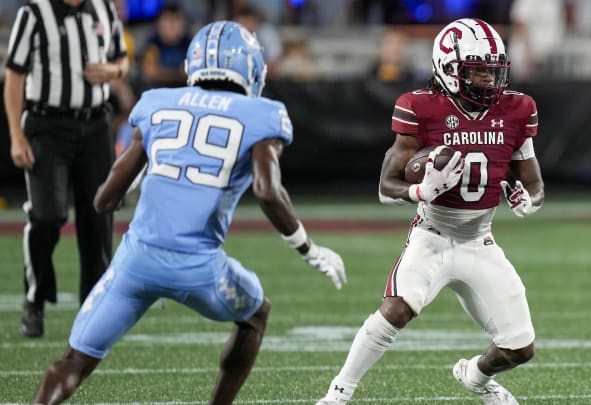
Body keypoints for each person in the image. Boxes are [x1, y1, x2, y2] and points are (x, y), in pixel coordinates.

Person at [31, 20, 347, 404]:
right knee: (255, 313)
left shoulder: (158, 104)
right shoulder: (263, 113)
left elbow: (104, 201)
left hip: (136, 260)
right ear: (249, 67)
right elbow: (267, 191)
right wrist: (309, 249)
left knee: (73, 361)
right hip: (199, 267)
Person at [316, 18, 544, 405]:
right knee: (396, 309)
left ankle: (475, 376)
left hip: (480, 242)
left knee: (520, 348)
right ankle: (338, 393)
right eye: (478, 71)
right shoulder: (420, 106)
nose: (489, 80)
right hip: (432, 236)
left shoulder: (518, 109)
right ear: (448, 68)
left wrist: (529, 199)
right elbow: (386, 188)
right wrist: (421, 190)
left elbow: (534, 183)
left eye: (494, 70)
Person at [4, 0, 130, 338]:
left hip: (95, 125)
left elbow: (123, 59)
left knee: (99, 217)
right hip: (47, 125)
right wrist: (16, 135)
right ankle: (35, 299)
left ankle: (93, 309)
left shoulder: (103, 8)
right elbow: (14, 75)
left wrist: (113, 72)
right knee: (46, 215)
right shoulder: (34, 14)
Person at [139, 2, 192, 89]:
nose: (172, 26)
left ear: (184, 23)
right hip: (157, 91)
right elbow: (150, 73)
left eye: (176, 20)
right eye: (168, 20)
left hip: (184, 91)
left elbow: (196, 72)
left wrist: (162, 72)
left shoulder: (190, 43)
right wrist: (177, 73)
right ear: (159, 24)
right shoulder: (153, 43)